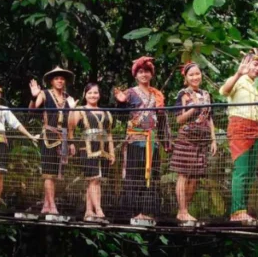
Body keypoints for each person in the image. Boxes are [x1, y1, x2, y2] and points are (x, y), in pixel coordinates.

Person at [114, 56, 171, 223]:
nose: (144, 74)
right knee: (134, 175)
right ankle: (132, 212)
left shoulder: (157, 95)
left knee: (152, 176)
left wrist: (166, 140)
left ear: (151, 74)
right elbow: (120, 116)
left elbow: (163, 120)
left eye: (147, 71)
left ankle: (147, 212)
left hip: (152, 141)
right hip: (134, 140)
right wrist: (121, 103)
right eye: (140, 72)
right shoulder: (130, 93)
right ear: (135, 75)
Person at [219, 48, 258, 223]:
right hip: (240, 128)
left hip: (254, 130)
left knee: (250, 172)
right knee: (241, 170)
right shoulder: (238, 80)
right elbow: (224, 91)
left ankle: (243, 210)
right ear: (247, 63)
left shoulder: (254, 87)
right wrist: (238, 73)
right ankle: (236, 211)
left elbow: (257, 115)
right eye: (255, 64)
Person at [170, 62, 217, 222]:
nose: (195, 77)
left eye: (197, 74)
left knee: (195, 176)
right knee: (183, 174)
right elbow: (178, 119)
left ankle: (184, 210)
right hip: (187, 138)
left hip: (202, 139)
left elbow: (210, 118)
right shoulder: (183, 94)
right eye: (191, 75)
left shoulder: (207, 94)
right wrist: (193, 108)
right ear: (186, 78)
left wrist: (213, 140)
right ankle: (182, 211)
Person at [29, 66, 77, 215]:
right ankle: (51, 206)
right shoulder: (44, 94)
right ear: (51, 81)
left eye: (62, 78)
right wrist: (33, 96)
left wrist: (71, 142)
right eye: (57, 78)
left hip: (63, 137)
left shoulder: (68, 99)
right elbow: (32, 110)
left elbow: (70, 124)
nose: (60, 81)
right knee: (48, 173)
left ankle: (47, 204)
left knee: (56, 174)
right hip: (49, 136)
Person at [68, 83, 115, 221]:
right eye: (89, 93)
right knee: (94, 179)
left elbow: (110, 134)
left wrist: (112, 152)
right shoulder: (80, 110)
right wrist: (71, 110)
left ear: (99, 95)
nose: (93, 95)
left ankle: (89, 211)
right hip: (87, 149)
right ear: (85, 95)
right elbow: (71, 127)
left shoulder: (106, 112)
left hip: (103, 149)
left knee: (95, 181)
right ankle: (98, 210)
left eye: (95, 93)